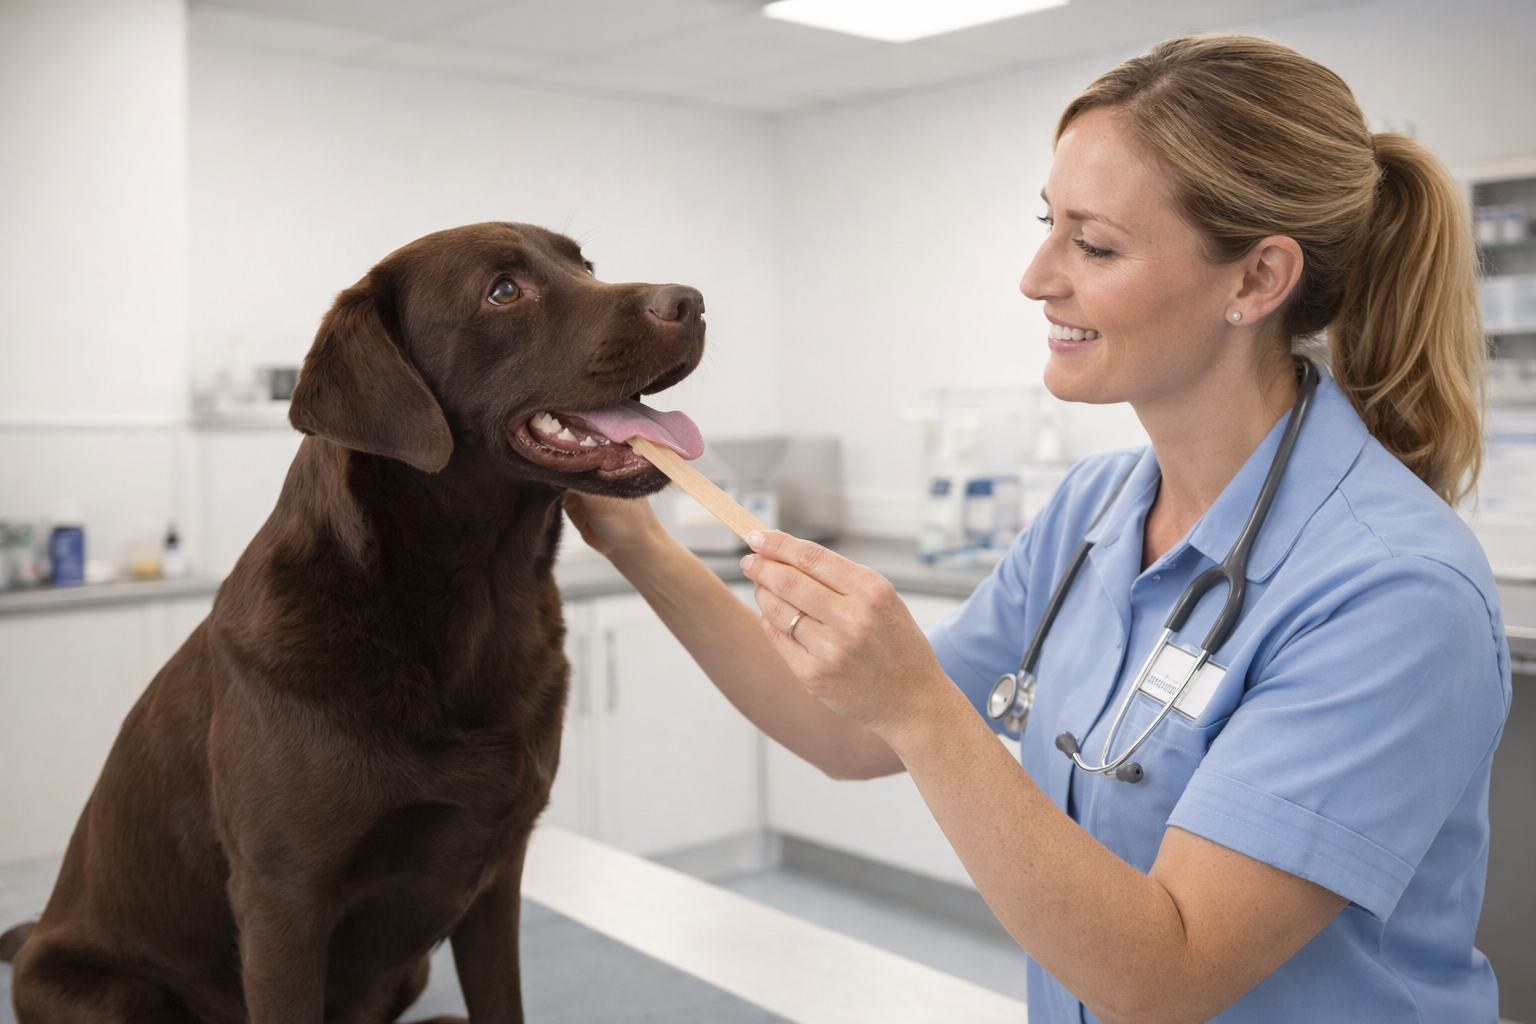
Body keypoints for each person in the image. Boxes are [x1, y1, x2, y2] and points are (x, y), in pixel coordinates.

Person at [564, 35, 1511, 1024]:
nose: (1035, 276)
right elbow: (848, 733)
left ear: (1256, 280)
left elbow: (1168, 973)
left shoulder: (1391, 592)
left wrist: (925, 705)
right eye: (1047, 225)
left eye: (1092, 244)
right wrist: (636, 543)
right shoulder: (1095, 511)